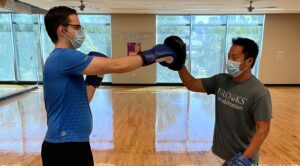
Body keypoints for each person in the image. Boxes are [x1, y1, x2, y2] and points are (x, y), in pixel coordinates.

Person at [42, 6, 178, 166]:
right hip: (63, 147)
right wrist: (154, 54)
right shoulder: (63, 57)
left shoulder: (63, 60)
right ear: (62, 30)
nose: (81, 31)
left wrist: (93, 81)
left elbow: (82, 100)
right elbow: (116, 66)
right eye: (77, 27)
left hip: (75, 144)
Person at [176, 37, 272, 165]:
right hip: (216, 154)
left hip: (242, 160)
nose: (229, 61)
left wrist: (244, 158)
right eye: (228, 57)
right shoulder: (221, 80)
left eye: (234, 57)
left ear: (249, 61)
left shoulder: (259, 92)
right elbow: (192, 84)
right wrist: (179, 64)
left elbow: (263, 128)